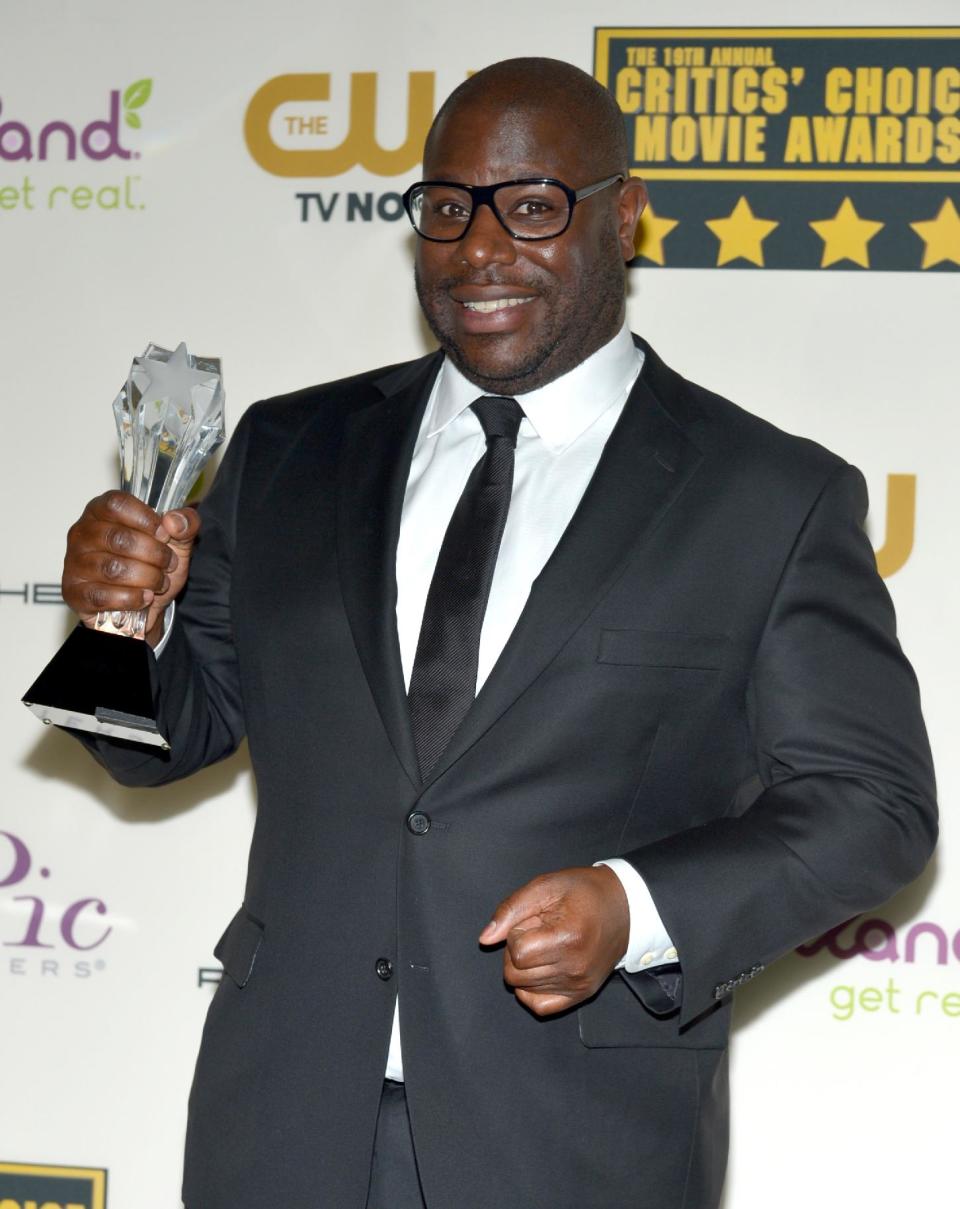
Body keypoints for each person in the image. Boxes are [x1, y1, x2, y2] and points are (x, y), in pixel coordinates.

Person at [58, 58, 936, 1209]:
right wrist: (119, 624)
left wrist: (638, 908)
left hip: (574, 1142)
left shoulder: (766, 497)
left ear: (624, 217)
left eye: (532, 207)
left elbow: (874, 806)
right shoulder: (292, 450)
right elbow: (160, 741)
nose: (479, 250)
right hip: (280, 1124)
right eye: (446, 209)